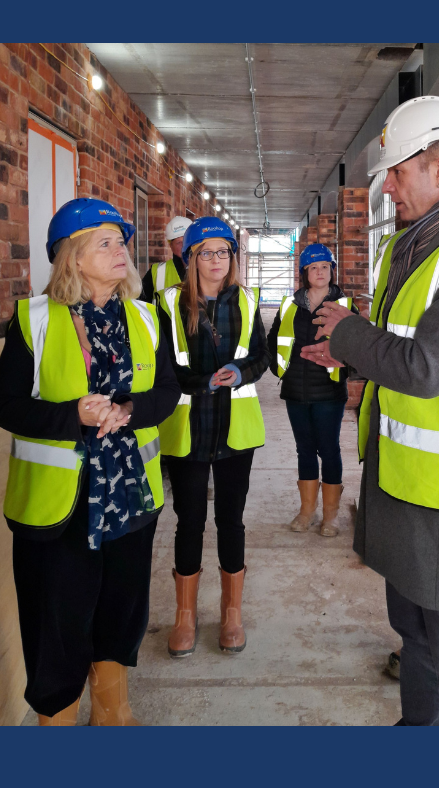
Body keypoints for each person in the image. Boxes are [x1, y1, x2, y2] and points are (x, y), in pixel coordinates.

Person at [304, 96, 439, 726]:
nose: (387, 190)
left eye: (396, 173)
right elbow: (400, 352)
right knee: (416, 633)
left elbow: (428, 367)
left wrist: (350, 333)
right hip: (404, 483)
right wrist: (350, 361)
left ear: (437, 168)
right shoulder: (417, 246)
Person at [0, 197, 180, 726]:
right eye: (107, 242)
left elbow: (166, 391)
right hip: (59, 511)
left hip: (129, 500)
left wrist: (130, 409)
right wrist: (73, 415)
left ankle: (113, 712)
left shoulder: (148, 315)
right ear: (72, 256)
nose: (122, 251)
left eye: (122, 242)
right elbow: (3, 405)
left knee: (120, 612)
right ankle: (58, 722)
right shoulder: (34, 320)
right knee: (56, 623)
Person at [156, 217, 269, 657]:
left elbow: (261, 356)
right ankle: (185, 617)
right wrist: (202, 383)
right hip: (188, 428)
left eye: (224, 252)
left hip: (234, 429)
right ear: (191, 258)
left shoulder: (247, 299)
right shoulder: (167, 304)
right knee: (188, 522)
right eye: (207, 252)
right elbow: (163, 367)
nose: (217, 260)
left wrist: (241, 371)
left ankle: (231, 614)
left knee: (231, 520)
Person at [266, 243, 360, 536]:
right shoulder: (289, 306)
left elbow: (358, 348)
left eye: (324, 267)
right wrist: (281, 369)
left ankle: (330, 516)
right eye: (312, 267)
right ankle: (307, 510)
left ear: (332, 271)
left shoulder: (345, 306)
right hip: (295, 390)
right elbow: (273, 341)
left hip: (328, 392)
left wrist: (343, 366)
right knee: (304, 450)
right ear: (304, 273)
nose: (319, 272)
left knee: (329, 449)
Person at [140, 215, 192, 303]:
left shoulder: (208, 268)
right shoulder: (156, 272)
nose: (184, 246)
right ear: (171, 246)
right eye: (179, 242)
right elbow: (140, 306)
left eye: (187, 240)